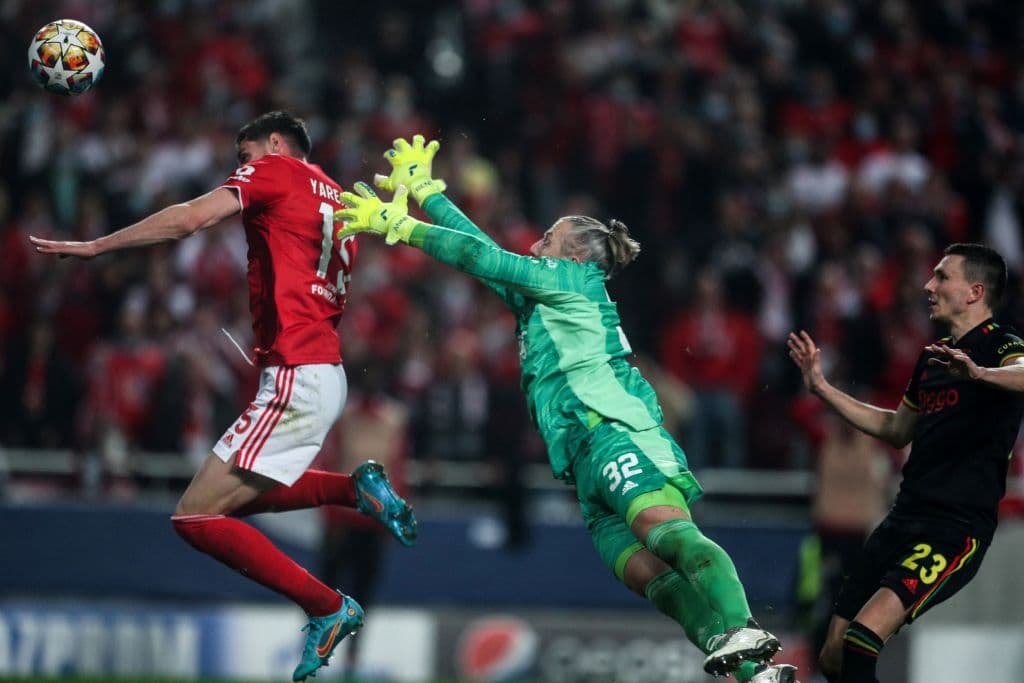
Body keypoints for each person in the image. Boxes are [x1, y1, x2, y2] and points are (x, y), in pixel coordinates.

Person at [335, 135, 799, 683]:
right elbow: (483, 259)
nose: (534, 247)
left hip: (614, 433)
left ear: (575, 254)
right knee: (649, 577)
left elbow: (483, 255)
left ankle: (743, 624)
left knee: (663, 532)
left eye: (547, 239)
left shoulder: (575, 280)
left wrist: (400, 225)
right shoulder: (542, 295)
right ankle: (753, 675)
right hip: (582, 462)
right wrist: (426, 192)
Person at [29, 111, 418, 682]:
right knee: (232, 502)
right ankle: (354, 489)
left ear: (279, 144)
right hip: (324, 369)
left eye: (246, 153)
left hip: (296, 372)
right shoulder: (335, 193)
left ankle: (327, 606)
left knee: (194, 518)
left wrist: (97, 246)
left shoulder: (278, 171)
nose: (241, 167)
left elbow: (189, 220)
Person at [787, 243, 1024, 683]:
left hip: (955, 529)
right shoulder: (932, 358)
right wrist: (822, 389)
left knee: (862, 638)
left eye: (941, 276)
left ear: (974, 292)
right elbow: (897, 429)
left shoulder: (1003, 345)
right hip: (902, 518)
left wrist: (980, 374)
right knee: (833, 655)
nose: (928, 286)